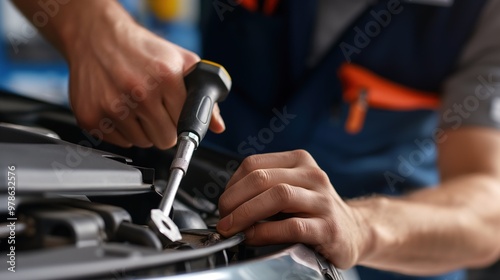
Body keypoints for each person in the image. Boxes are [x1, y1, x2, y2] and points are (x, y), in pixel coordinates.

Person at [12, 0, 500, 279]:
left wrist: (361, 226)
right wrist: (92, 28)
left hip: (391, 258)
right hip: (198, 217)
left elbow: (487, 210)